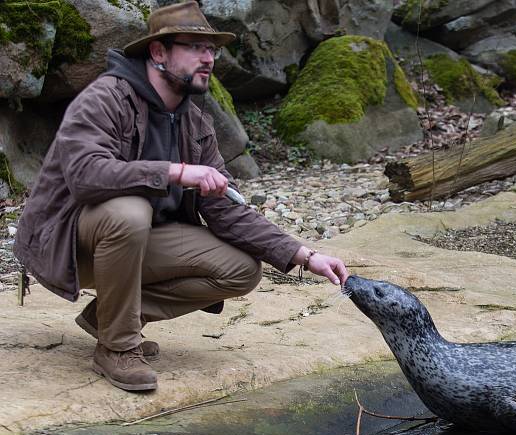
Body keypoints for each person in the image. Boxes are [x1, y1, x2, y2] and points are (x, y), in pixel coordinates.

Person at [13, 0, 349, 392]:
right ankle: (117, 348)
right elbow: (86, 176)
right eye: (195, 47)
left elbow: (227, 208)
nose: (208, 58)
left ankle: (109, 319)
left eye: (212, 50)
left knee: (242, 268)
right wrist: (176, 172)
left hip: (135, 244)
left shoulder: (194, 122)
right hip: (73, 244)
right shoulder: (105, 98)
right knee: (130, 211)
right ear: (158, 52)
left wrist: (304, 256)